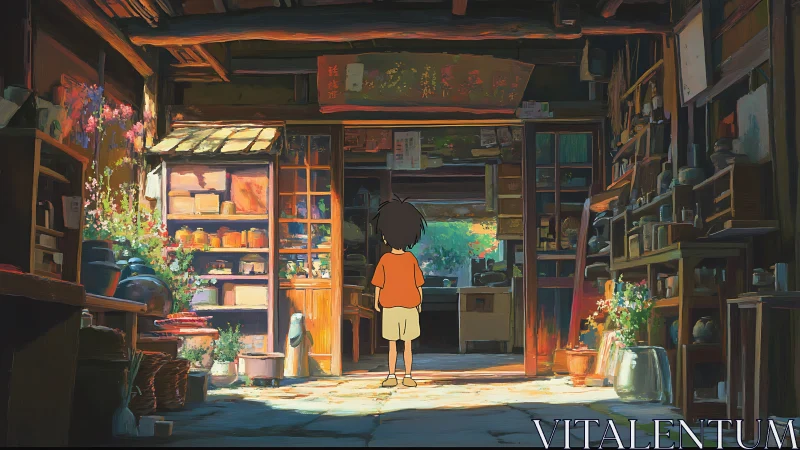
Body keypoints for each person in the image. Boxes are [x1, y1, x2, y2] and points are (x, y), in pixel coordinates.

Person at [371, 196, 427, 388]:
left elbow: (378, 284)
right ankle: (408, 376)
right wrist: (420, 302)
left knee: (392, 344)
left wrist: (375, 301)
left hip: (390, 307)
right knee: (408, 344)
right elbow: (418, 283)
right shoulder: (411, 259)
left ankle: (392, 375)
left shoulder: (385, 259)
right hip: (410, 306)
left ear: (385, 236)